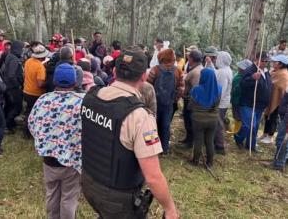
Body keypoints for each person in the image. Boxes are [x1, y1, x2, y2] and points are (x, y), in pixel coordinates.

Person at [81, 47, 178, 219]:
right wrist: (170, 209)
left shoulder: (90, 97)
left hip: (88, 184)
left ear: (115, 71)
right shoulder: (139, 116)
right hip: (117, 198)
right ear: (144, 76)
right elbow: (153, 176)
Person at [28, 63, 85, 219]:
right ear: (75, 82)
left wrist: (46, 142)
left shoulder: (43, 100)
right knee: (69, 197)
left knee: (52, 194)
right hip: (73, 160)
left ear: (54, 81)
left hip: (49, 159)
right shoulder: (83, 102)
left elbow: (32, 124)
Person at [147, 49, 184, 154]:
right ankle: (165, 149)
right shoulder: (178, 71)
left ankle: (152, 148)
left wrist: (149, 101)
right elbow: (181, 89)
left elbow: (148, 86)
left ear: (161, 57)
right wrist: (174, 99)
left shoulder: (155, 70)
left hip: (155, 103)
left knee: (152, 124)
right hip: (169, 104)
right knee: (166, 125)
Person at [234, 52, 272, 151]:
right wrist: (252, 78)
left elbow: (268, 86)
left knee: (255, 128)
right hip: (248, 103)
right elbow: (242, 84)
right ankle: (238, 139)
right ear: (257, 59)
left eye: (266, 61)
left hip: (260, 105)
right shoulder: (250, 70)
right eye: (263, 60)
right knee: (249, 125)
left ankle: (251, 145)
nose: (265, 63)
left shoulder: (266, 72)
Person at [189, 68, 222, 166]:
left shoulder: (196, 89)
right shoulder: (219, 89)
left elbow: (190, 105)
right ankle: (210, 162)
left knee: (198, 140)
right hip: (213, 119)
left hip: (198, 119)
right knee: (210, 140)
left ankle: (195, 160)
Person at [260, 54, 288, 144]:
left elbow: (282, 87)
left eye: (275, 62)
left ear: (280, 64)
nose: (273, 63)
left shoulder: (284, 73)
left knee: (273, 117)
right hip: (271, 97)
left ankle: (270, 136)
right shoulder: (275, 71)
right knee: (267, 116)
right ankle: (264, 134)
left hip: (278, 99)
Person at [23, 41, 48, 138]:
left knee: (28, 112)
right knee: (37, 114)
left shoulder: (28, 61)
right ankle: (34, 133)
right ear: (41, 56)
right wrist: (49, 81)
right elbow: (40, 83)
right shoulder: (40, 66)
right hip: (36, 93)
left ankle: (26, 132)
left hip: (26, 91)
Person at [0, 40, 24, 133]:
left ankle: (8, 124)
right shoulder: (14, 59)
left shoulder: (10, 56)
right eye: (21, 48)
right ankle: (7, 125)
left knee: (9, 106)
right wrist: (18, 84)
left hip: (7, 86)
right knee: (17, 107)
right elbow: (11, 74)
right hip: (13, 87)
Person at [181, 49, 204, 147]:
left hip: (190, 100)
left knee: (188, 120)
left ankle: (189, 142)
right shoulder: (202, 68)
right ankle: (189, 139)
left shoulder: (193, 72)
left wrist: (180, 94)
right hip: (199, 100)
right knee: (193, 121)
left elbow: (186, 90)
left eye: (189, 57)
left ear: (191, 59)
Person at [214, 51, 233, 154]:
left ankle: (219, 146)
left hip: (220, 103)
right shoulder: (227, 70)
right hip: (224, 102)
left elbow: (221, 89)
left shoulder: (222, 72)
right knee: (218, 123)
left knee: (218, 124)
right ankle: (216, 143)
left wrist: (215, 103)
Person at [229, 59, 253, 135]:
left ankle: (237, 132)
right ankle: (236, 131)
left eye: (240, 67)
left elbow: (237, 91)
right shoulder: (239, 76)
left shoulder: (241, 78)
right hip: (238, 100)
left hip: (238, 101)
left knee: (238, 117)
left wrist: (235, 100)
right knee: (237, 117)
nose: (238, 68)